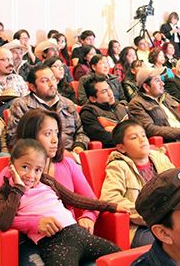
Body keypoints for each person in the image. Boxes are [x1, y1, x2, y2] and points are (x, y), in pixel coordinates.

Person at [0, 139, 126, 265]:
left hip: (79, 233)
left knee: (118, 256)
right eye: (25, 167)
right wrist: (18, 188)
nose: (30, 175)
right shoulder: (7, 191)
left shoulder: (46, 182)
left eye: (37, 170)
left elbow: (75, 199)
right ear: (11, 165)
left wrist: (111, 206)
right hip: (55, 243)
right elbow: (2, 223)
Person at [14, 108, 110, 264]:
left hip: (69, 236)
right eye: (47, 134)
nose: (54, 140)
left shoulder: (67, 163)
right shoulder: (13, 172)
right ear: (30, 138)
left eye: (56, 133)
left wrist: (88, 217)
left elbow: (90, 200)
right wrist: (34, 224)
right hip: (30, 241)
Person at [100, 119, 174, 247]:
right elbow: (109, 198)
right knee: (169, 243)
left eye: (143, 135)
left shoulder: (160, 158)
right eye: (134, 137)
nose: (142, 140)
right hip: (140, 227)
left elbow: (179, 185)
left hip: (170, 221)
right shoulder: (118, 166)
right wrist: (148, 214)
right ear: (121, 148)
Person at [6, 64, 89, 153]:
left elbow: (80, 132)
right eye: (45, 81)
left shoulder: (68, 104)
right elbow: (14, 138)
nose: (51, 84)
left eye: (53, 79)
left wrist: (79, 146)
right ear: (32, 87)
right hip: (38, 157)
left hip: (70, 154)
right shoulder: (22, 105)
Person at [128, 67, 180, 142]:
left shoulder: (166, 98)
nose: (162, 83)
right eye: (157, 81)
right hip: (171, 143)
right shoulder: (136, 103)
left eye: (161, 80)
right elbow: (149, 129)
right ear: (146, 87)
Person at [79, 75, 129, 147]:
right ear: (93, 99)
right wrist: (129, 135)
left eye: (109, 88)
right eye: (104, 91)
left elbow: (138, 128)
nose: (110, 93)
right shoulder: (89, 113)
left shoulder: (121, 107)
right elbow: (105, 137)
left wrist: (113, 130)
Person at [0, 47, 30, 111]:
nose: (11, 63)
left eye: (11, 59)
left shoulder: (18, 78)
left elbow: (27, 101)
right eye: (6, 60)